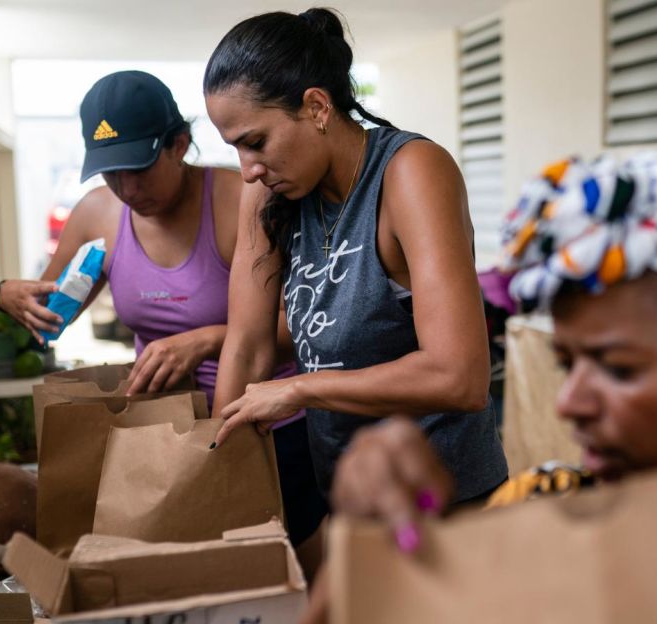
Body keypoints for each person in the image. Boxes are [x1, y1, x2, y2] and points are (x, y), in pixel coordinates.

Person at [300, 151, 657, 623]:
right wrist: (364, 550)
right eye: (568, 364)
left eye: (619, 368)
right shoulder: (542, 505)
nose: (569, 404)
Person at [0, 70, 326, 555]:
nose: (127, 188)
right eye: (111, 173)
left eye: (139, 168)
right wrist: (5, 295)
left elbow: (312, 325)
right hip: (160, 431)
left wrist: (208, 339)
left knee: (275, 575)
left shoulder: (245, 200)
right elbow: (50, 317)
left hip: (269, 430)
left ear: (179, 144)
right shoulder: (97, 213)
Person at [203, 8, 509, 515]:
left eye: (255, 142)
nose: (248, 169)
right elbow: (248, 346)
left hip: (446, 500)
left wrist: (299, 388)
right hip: (347, 494)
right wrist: (216, 469)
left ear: (318, 107)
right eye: (235, 149)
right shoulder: (267, 194)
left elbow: (460, 376)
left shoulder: (409, 173)